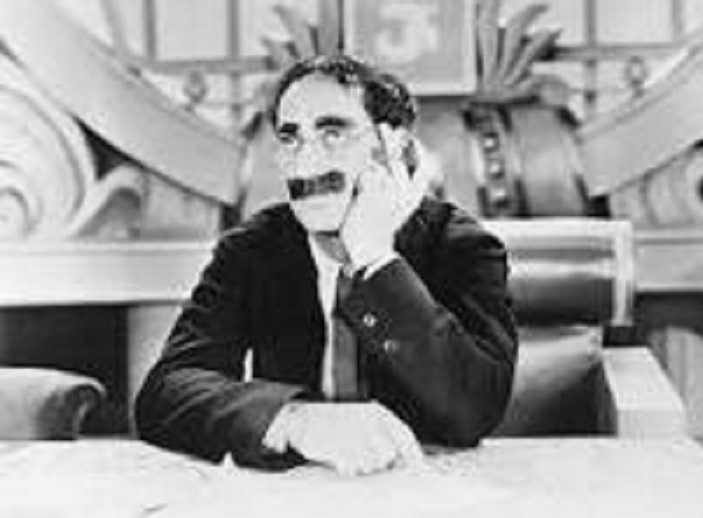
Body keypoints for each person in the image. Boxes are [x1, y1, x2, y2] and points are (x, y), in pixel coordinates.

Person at [135, 54, 518, 475]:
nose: (306, 163)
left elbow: (474, 410)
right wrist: (295, 420)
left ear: (395, 150)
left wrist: (374, 259)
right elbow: (165, 393)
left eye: (333, 133)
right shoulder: (253, 249)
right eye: (290, 138)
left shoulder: (462, 247)